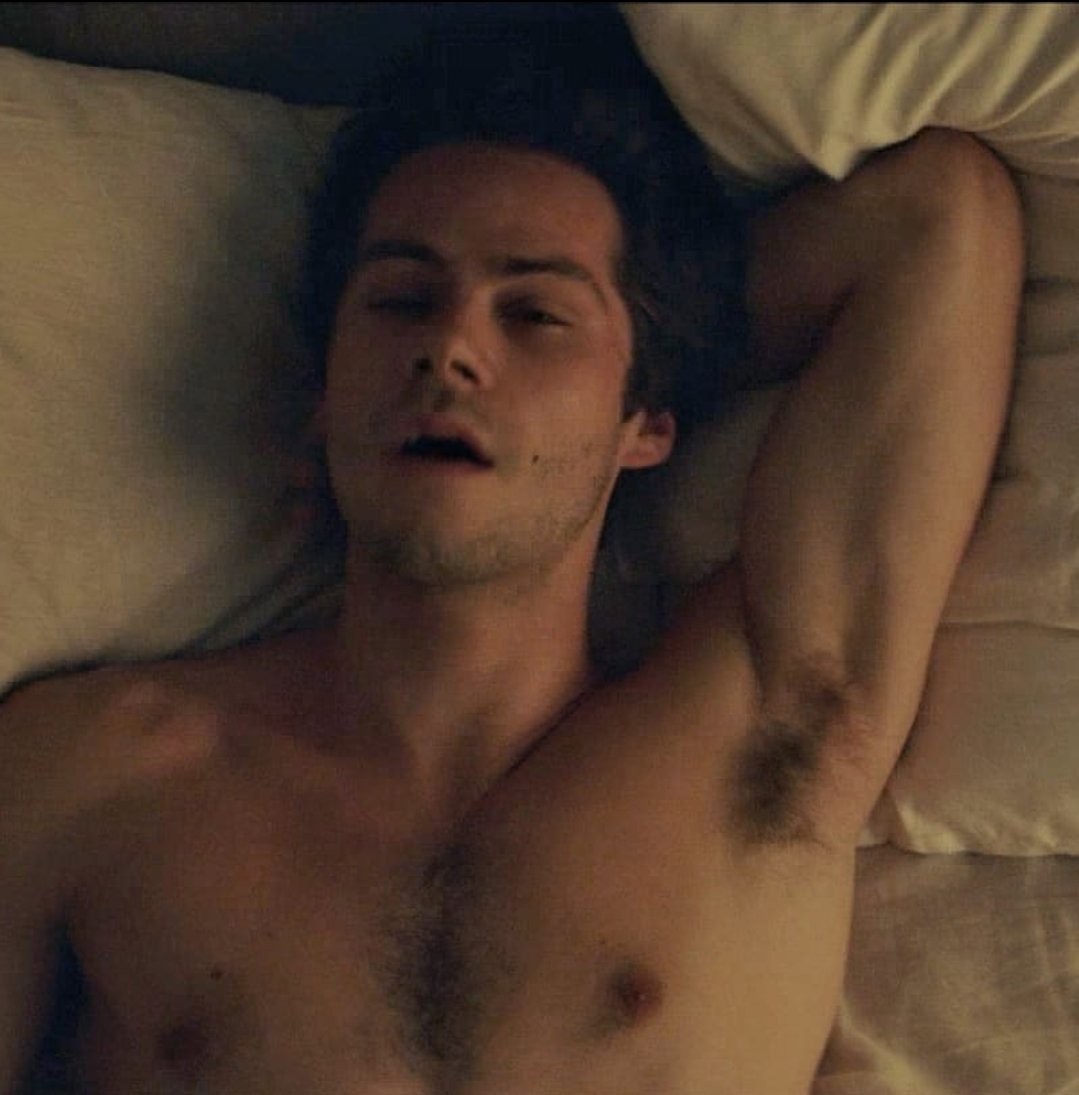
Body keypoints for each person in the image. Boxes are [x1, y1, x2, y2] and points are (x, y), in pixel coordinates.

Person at [0, 25, 1023, 1095]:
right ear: (321, 393)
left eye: (534, 313)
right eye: (401, 300)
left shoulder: (768, 733)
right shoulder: (88, 776)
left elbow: (935, 216)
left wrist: (635, 365)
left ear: (648, 419)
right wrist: (580, 365)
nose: (449, 350)